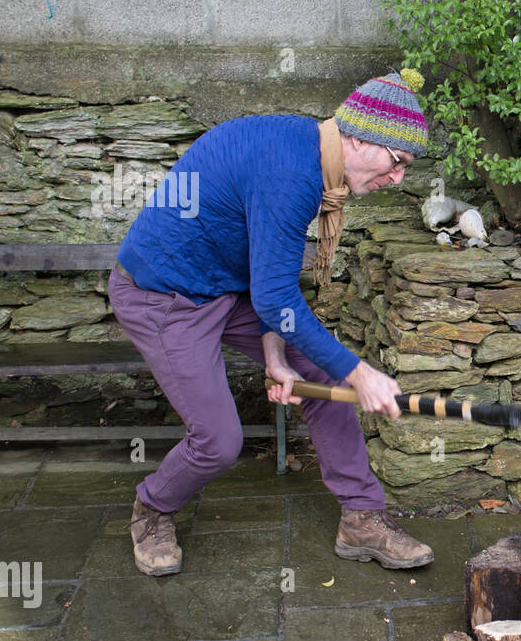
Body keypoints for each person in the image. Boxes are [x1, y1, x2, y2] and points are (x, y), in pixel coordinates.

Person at [107, 68, 434, 577]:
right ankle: (152, 508)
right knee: (218, 442)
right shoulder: (292, 170)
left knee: (316, 372)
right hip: (164, 296)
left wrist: (277, 357)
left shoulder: (310, 151)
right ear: (359, 139)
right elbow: (276, 294)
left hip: (222, 286)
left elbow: (267, 277)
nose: (398, 178)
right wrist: (360, 373)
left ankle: (361, 519)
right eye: (397, 162)